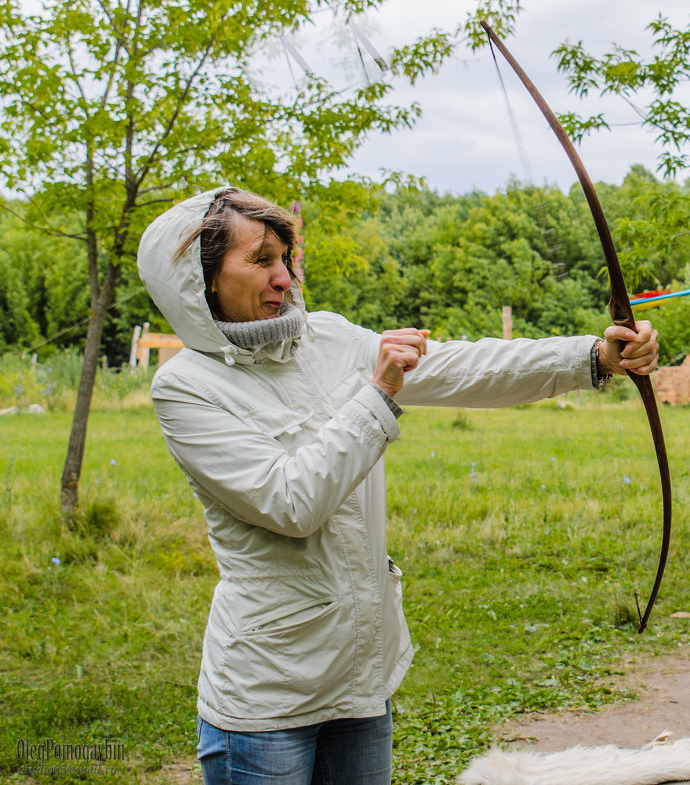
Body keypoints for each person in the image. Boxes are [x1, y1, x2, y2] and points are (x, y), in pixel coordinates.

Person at [136, 187, 659, 784]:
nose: (283, 277)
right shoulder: (185, 387)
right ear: (199, 281)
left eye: (285, 258)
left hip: (361, 675)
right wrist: (379, 392)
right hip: (267, 695)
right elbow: (290, 502)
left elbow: (462, 368)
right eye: (260, 261)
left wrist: (593, 355)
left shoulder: (327, 337)